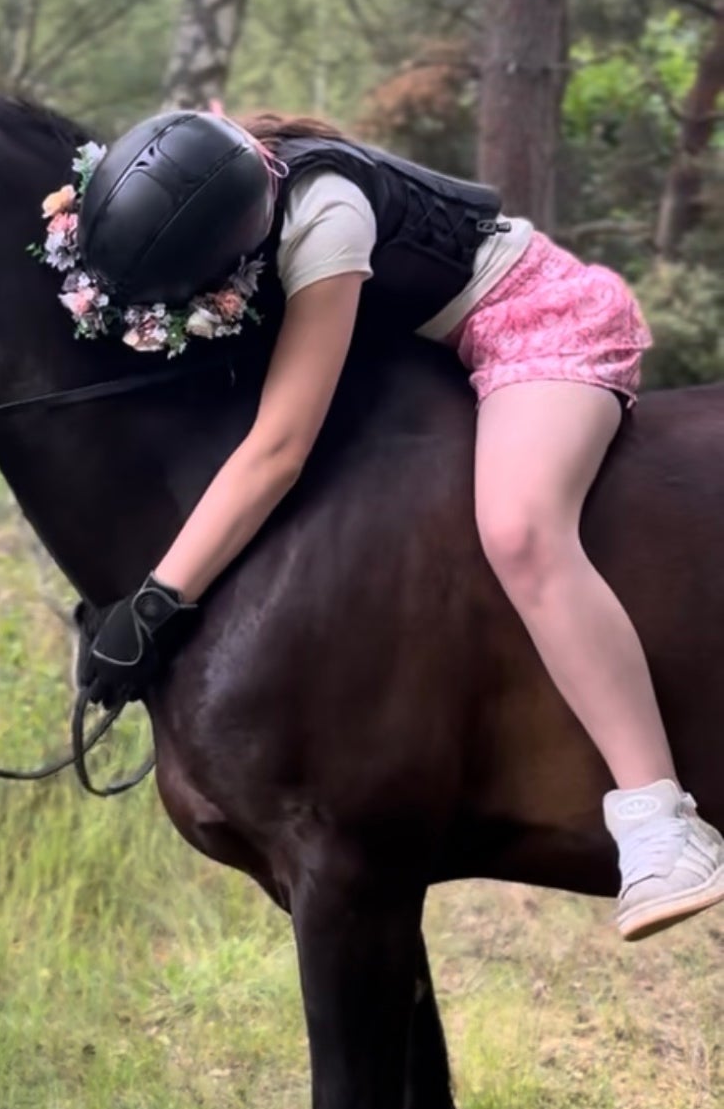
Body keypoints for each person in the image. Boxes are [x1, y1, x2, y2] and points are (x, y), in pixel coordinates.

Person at [54, 108, 724, 942]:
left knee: (520, 530)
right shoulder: (195, 163)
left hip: (532, 321)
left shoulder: (327, 217)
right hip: (425, 346)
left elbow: (279, 449)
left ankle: (661, 820)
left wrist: (157, 600)